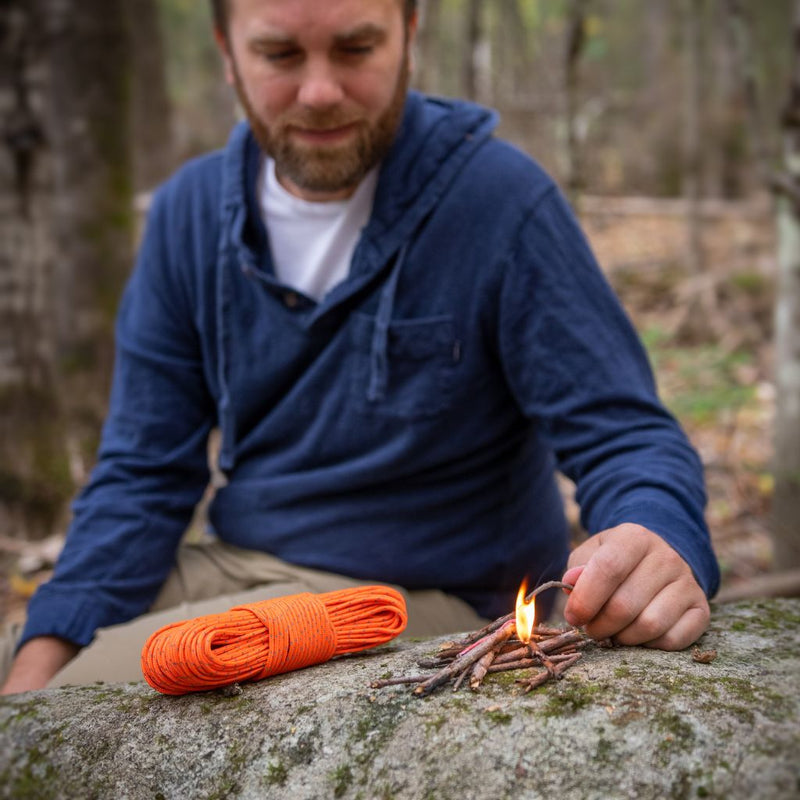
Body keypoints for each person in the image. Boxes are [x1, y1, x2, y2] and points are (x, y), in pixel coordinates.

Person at [1, 0, 719, 695]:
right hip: (233, 565)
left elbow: (626, 435)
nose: (319, 92)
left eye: (355, 48)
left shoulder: (498, 202)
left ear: (409, 35)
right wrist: (39, 662)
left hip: (419, 601)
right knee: (34, 659)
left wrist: (658, 537)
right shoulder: (189, 214)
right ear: (226, 52)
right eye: (279, 53)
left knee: (118, 681)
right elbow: (141, 474)